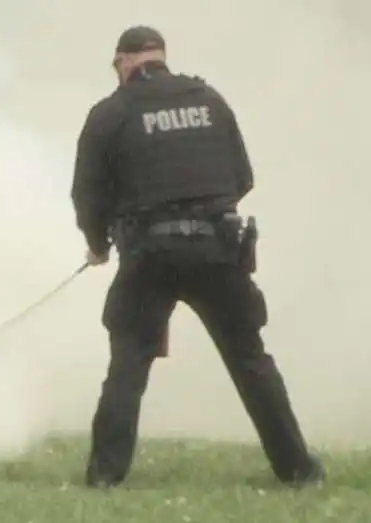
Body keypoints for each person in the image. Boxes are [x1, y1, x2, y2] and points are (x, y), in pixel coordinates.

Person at [70, 25, 324, 489]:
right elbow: (241, 178)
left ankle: (105, 477)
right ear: (160, 56)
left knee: (127, 363)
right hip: (216, 249)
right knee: (251, 361)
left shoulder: (111, 112)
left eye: (116, 66)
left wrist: (98, 244)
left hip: (149, 255)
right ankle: (298, 471)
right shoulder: (210, 101)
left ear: (125, 60)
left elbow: (87, 194)